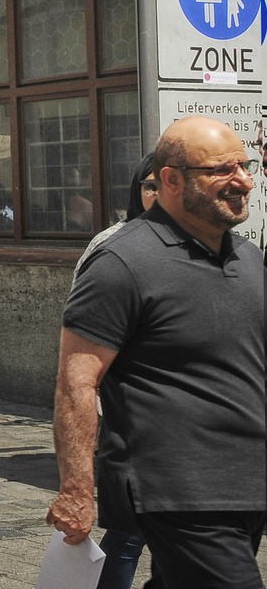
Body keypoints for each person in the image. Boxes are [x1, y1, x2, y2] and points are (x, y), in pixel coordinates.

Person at [49, 116, 265, 588]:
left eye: (245, 167)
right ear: (171, 180)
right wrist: (76, 489)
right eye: (223, 170)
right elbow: (76, 381)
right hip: (176, 487)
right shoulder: (122, 262)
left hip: (247, 483)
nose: (243, 181)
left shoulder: (248, 258)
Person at [66, 153, 155, 589]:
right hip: (127, 410)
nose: (157, 195)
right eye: (149, 185)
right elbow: (81, 330)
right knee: (129, 531)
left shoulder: (204, 242)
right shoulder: (113, 244)